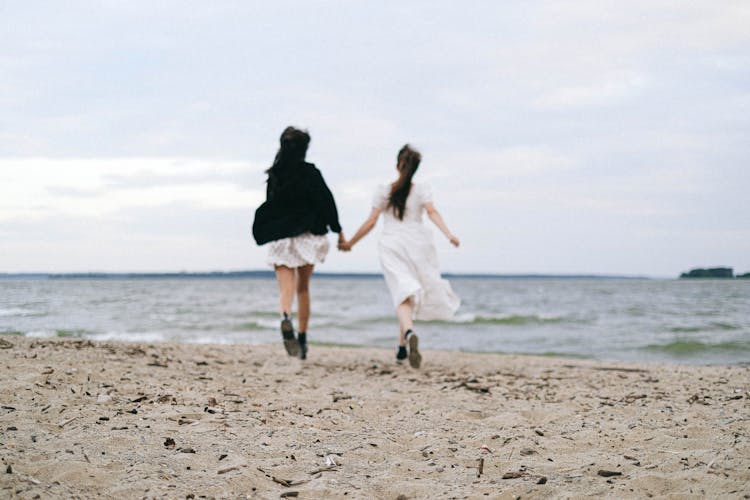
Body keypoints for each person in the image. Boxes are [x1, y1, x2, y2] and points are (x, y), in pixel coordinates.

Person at [338, 144, 460, 368]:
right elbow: (432, 212)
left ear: (397, 165)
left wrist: (350, 243)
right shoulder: (422, 189)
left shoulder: (384, 190)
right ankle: (402, 348)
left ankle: (409, 333)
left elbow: (371, 221)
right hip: (418, 243)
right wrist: (449, 234)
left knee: (402, 293)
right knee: (406, 293)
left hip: (392, 244)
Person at [252, 126, 344, 360]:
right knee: (303, 288)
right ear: (305, 149)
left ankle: (285, 318)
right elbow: (327, 202)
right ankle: (302, 339)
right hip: (307, 237)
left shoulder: (275, 175)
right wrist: (338, 230)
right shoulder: (311, 173)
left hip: (281, 238)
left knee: (286, 289)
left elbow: (271, 206)